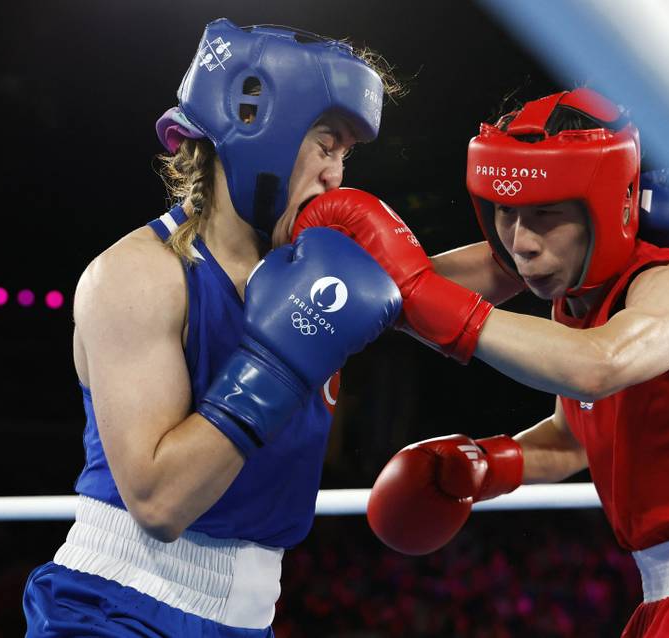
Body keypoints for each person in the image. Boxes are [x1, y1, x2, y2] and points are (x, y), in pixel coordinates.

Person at [314, 88, 669, 636]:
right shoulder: (578, 301)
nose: (521, 243)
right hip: (665, 602)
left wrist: (426, 297)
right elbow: (572, 436)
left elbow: (596, 366)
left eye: (546, 215)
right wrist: (486, 464)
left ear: (606, 209)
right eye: (506, 213)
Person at [22, 18, 404, 637]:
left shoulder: (310, 271)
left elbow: (457, 292)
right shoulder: (138, 276)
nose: (337, 176)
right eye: (326, 145)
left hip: (247, 618)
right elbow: (159, 502)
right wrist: (280, 362)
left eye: (345, 156)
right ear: (264, 131)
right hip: (117, 608)